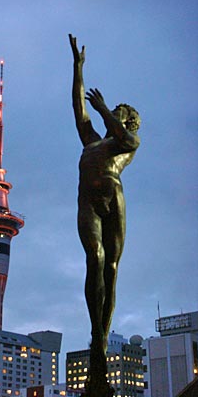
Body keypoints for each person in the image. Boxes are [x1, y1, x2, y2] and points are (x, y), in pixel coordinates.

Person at [69, 34, 141, 395]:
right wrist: (77, 69)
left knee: (110, 270)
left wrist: (104, 110)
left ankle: (100, 338)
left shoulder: (126, 142)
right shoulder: (94, 142)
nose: (114, 113)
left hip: (113, 200)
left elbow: (122, 137)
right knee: (93, 260)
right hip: (87, 201)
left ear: (128, 121)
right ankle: (97, 336)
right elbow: (79, 112)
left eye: (120, 113)